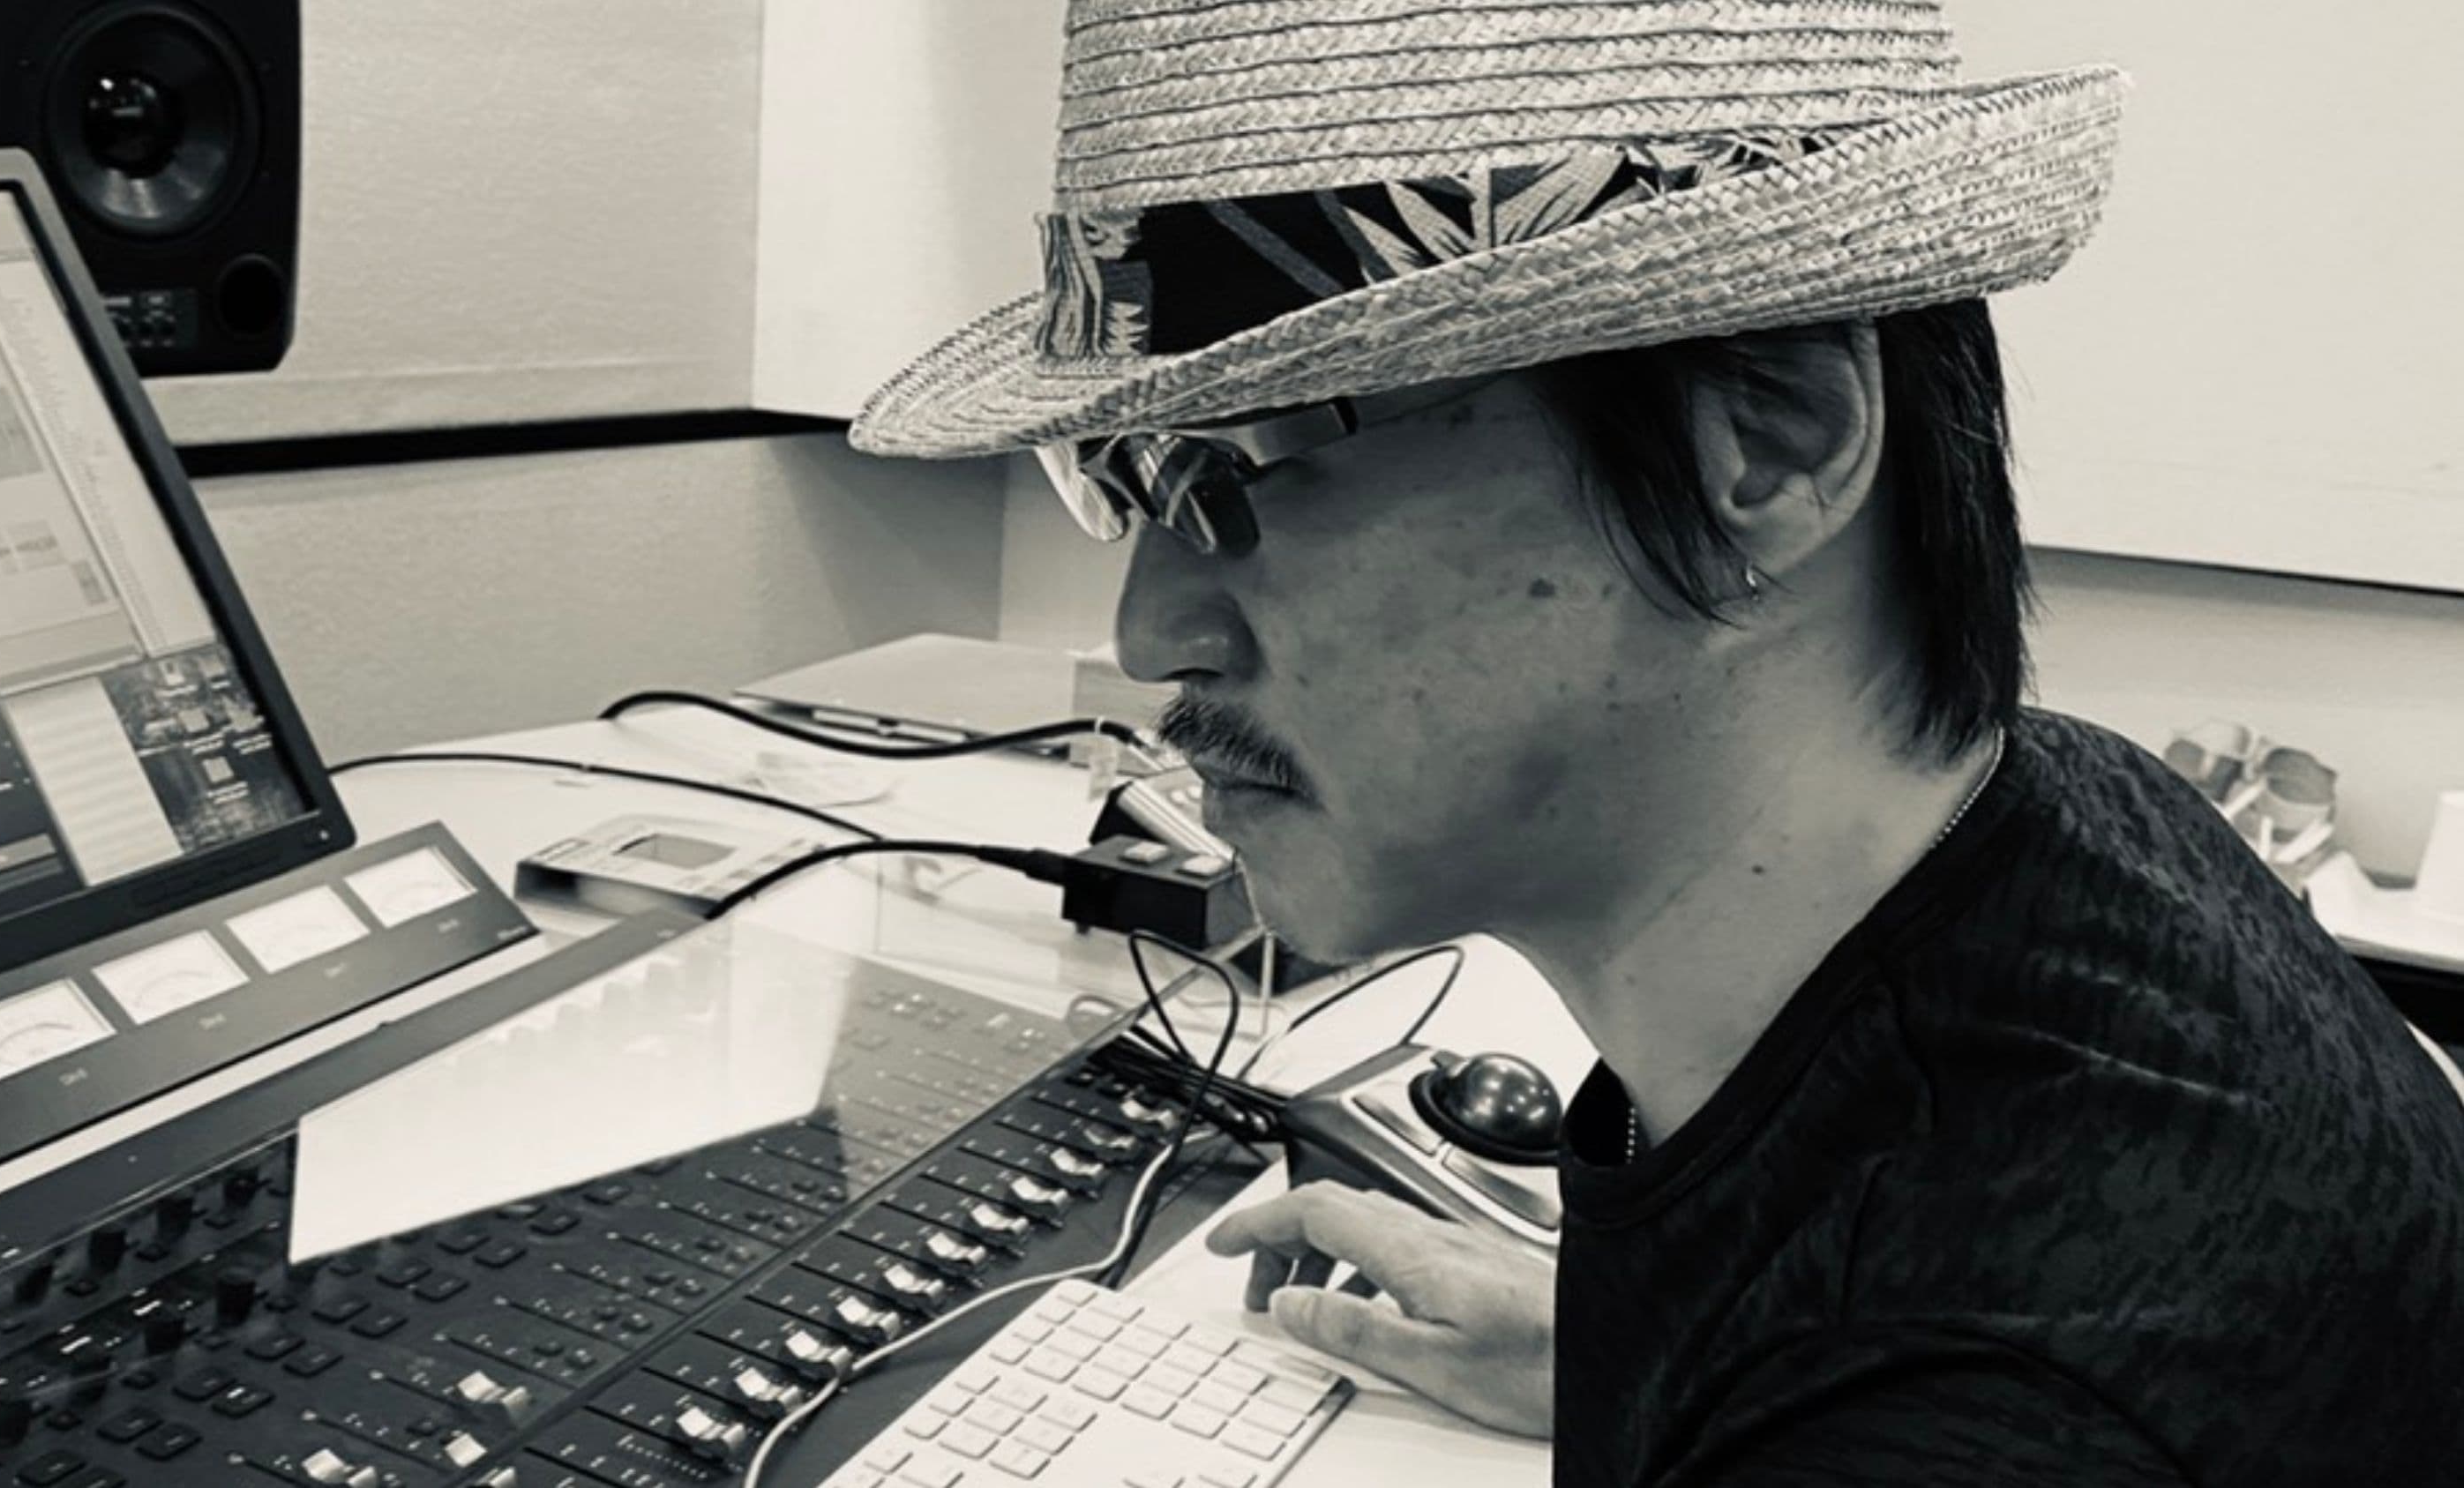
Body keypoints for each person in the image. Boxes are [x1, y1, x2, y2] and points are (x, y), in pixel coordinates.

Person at [850, 2, 2464, 1482]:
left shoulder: (1987, 1414)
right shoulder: (2067, 819)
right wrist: (1645, 1360)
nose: (1153, 633)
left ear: (1765, 442)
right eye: (1131, 478)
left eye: (1242, 466)